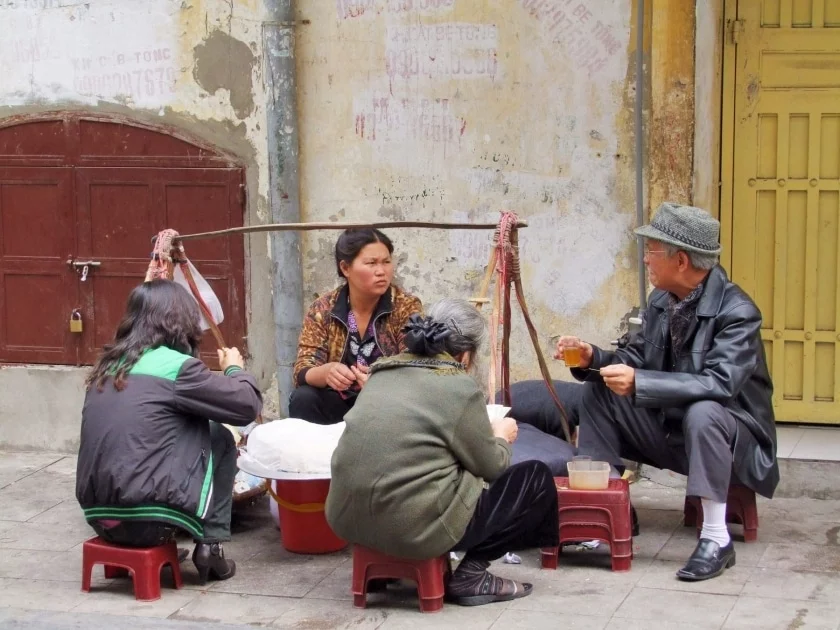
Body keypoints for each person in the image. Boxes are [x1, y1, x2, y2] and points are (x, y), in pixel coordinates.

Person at [555, 202, 779, 582]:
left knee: (705, 410)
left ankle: (715, 537)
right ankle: (603, 513)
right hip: (671, 430)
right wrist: (593, 358)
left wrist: (641, 382)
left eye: (651, 250)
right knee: (600, 390)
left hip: (733, 444)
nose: (645, 259)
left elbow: (719, 383)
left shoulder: (738, 312)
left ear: (680, 260)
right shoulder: (662, 301)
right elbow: (634, 358)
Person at [326, 299, 559, 606]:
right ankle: (472, 573)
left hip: (345, 519)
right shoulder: (458, 386)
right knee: (535, 478)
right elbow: (491, 466)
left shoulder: (381, 373)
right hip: (414, 529)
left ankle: (382, 570)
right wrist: (501, 437)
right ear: (465, 354)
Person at [76, 279, 263, 584]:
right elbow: (245, 406)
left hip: (100, 518)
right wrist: (234, 370)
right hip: (149, 522)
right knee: (219, 436)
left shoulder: (108, 366)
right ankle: (210, 545)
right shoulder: (179, 367)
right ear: (182, 323)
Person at [290, 228, 423, 425]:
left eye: (386, 262)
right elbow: (302, 369)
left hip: (387, 402)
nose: (381, 271)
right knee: (304, 398)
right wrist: (326, 372)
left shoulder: (405, 306)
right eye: (371, 263)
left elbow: (415, 364)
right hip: (338, 401)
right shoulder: (324, 308)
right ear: (345, 268)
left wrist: (379, 381)